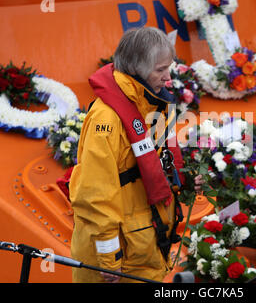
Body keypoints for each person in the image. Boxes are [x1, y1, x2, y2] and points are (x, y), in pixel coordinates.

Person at [69, 26, 204, 283]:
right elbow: (95, 197)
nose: (168, 78)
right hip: (117, 263)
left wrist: (187, 179)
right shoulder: (106, 119)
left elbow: (162, 159)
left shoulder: (152, 104)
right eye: (160, 70)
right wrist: (109, 262)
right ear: (136, 69)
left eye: (168, 68)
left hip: (145, 249)